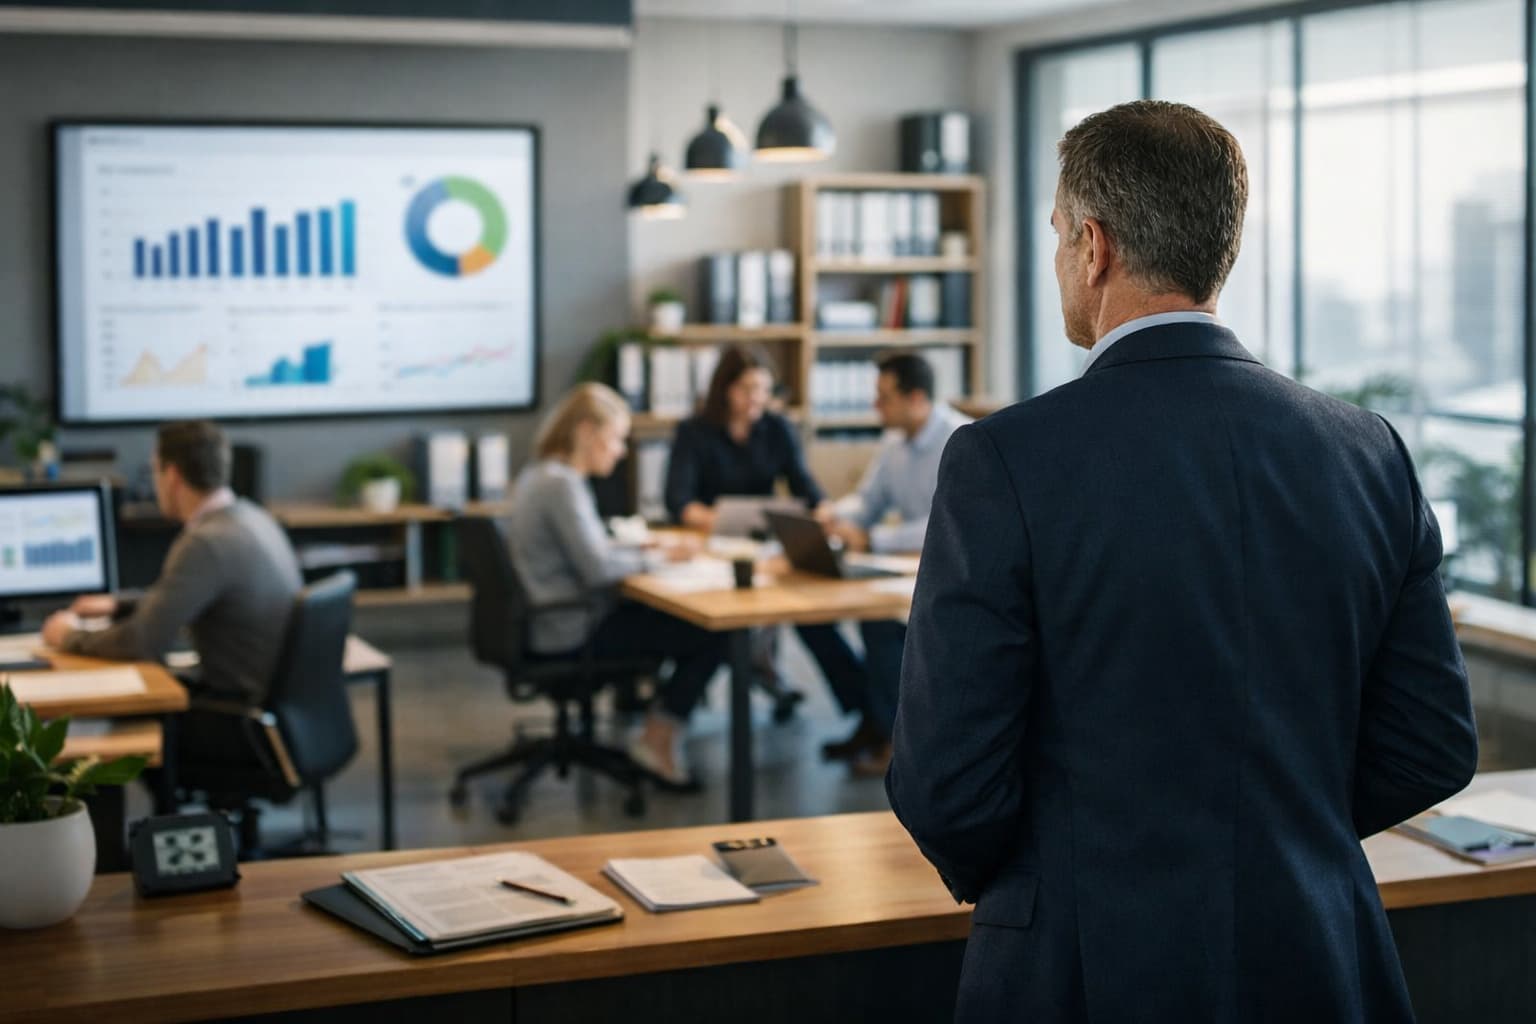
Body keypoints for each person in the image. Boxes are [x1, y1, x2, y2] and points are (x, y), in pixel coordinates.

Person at [887, 99, 1476, 1022]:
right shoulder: (1371, 451)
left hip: (1082, 964)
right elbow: (1432, 742)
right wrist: (1284, 836)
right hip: (1321, 954)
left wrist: (1049, 870)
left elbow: (946, 782)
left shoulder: (1005, 459)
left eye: (1054, 237)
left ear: (1094, 247)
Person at [506, 382, 725, 787]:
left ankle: (653, 722)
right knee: (714, 634)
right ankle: (657, 738)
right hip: (571, 629)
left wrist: (642, 546)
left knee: (660, 619)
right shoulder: (562, 485)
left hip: (549, 621)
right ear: (587, 431)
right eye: (617, 438)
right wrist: (661, 557)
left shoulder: (539, 474)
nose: (622, 451)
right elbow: (597, 569)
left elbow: (588, 551)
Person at [665, 345, 872, 739]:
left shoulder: (776, 428)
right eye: (747, 388)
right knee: (721, 627)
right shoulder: (694, 432)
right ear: (724, 389)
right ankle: (674, 714)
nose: (756, 398)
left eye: (763, 388)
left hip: (766, 549)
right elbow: (680, 503)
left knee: (812, 614)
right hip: (710, 549)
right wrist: (722, 521)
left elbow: (805, 486)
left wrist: (825, 512)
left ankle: (870, 714)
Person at [42, 420, 302, 708]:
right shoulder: (251, 517)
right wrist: (119, 604)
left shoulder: (206, 542)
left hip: (231, 716)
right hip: (266, 703)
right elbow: (183, 597)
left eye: (155, 469)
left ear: (172, 476)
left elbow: (141, 642)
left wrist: (68, 636)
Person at [825, 352, 967, 777]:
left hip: (949, 575)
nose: (876, 407)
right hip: (900, 574)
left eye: (885, 398)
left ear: (917, 398)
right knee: (818, 623)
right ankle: (874, 718)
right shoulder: (893, 444)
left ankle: (897, 745)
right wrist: (838, 519)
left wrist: (873, 538)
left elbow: (946, 522)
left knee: (882, 627)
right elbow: (869, 502)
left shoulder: (961, 440)